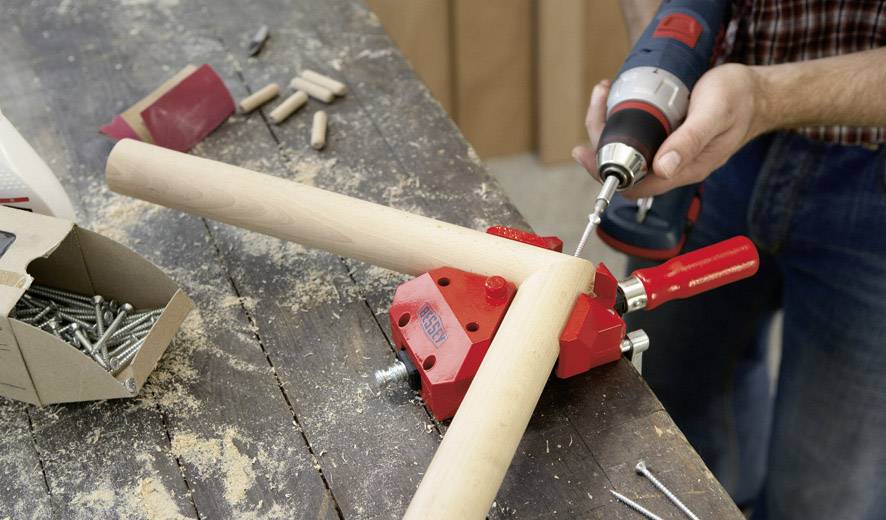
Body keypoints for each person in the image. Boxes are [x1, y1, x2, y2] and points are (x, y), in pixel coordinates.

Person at [572, 1, 886, 519]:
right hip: (712, 136)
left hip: (872, 181)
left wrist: (764, 96)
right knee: (671, 418)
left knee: (828, 492)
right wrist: (657, 65)